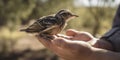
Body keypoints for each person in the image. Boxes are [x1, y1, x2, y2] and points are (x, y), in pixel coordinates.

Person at [36, 5, 120, 60]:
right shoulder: (57, 22)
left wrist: (92, 55)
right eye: (67, 15)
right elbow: (117, 27)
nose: (72, 16)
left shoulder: (60, 23)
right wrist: (104, 43)